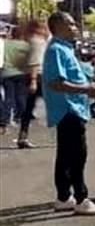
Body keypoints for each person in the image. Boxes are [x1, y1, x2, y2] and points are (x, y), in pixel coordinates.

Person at [42, 12, 95, 215]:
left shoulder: (66, 49)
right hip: (68, 109)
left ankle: (63, 197)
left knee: (66, 155)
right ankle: (81, 198)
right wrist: (87, 90)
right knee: (78, 156)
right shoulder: (56, 50)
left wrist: (88, 84)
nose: (75, 26)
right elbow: (56, 83)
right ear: (58, 26)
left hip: (74, 108)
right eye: (70, 24)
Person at [16, 20, 48, 149]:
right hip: (38, 76)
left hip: (28, 76)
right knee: (58, 103)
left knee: (28, 108)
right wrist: (34, 80)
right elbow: (35, 62)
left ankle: (22, 136)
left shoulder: (26, 40)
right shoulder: (38, 42)